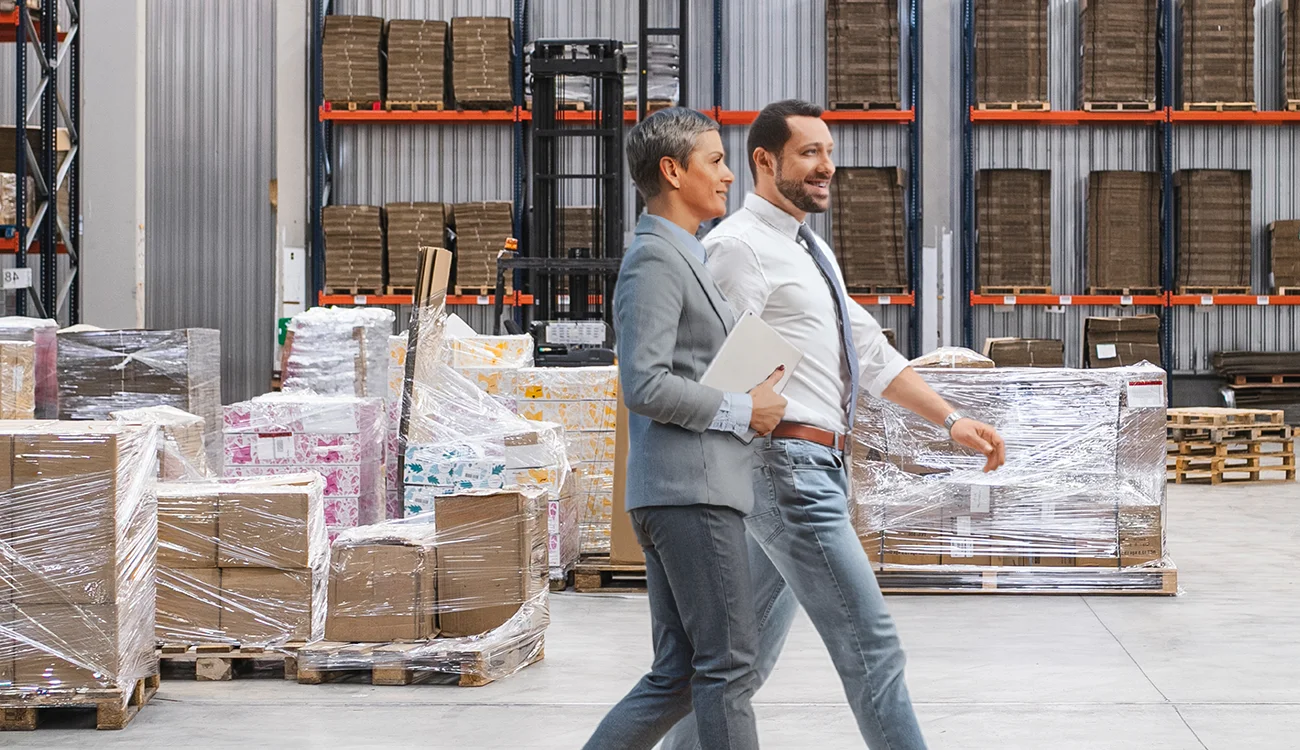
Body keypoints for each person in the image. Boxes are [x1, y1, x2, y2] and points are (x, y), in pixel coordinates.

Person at [661, 99, 1008, 750]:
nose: (826, 167)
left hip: (816, 465)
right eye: (809, 153)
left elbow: (869, 352)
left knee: (735, 662)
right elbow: (700, 367)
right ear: (765, 161)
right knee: (872, 646)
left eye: (829, 153)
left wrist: (951, 418)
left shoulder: (810, 250)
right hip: (783, 467)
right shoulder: (737, 248)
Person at [583, 107, 789, 750]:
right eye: (716, 160)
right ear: (673, 171)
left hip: (683, 490)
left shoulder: (683, 255)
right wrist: (742, 409)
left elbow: (689, 367)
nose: (728, 175)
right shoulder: (655, 260)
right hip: (690, 491)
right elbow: (643, 384)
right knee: (729, 666)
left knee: (678, 676)